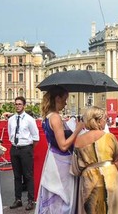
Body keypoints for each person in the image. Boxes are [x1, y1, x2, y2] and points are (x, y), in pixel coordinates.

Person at [35, 86, 84, 214]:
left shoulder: (48, 116)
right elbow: (63, 145)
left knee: (56, 196)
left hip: (54, 159)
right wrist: (77, 130)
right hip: (61, 163)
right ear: (57, 98)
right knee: (62, 197)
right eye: (64, 99)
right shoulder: (55, 117)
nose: (66, 103)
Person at [71, 106, 118, 214]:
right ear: (98, 121)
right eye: (105, 119)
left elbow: (75, 169)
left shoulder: (78, 141)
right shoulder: (110, 137)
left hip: (89, 182)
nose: (106, 121)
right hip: (110, 178)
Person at [8, 96, 40, 210]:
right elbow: (9, 134)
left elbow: (36, 137)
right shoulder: (11, 119)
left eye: (20, 104)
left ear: (24, 105)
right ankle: (18, 199)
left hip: (26, 149)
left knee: (28, 176)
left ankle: (31, 200)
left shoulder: (29, 119)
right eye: (16, 104)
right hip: (14, 149)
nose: (17, 106)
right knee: (17, 176)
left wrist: (29, 148)